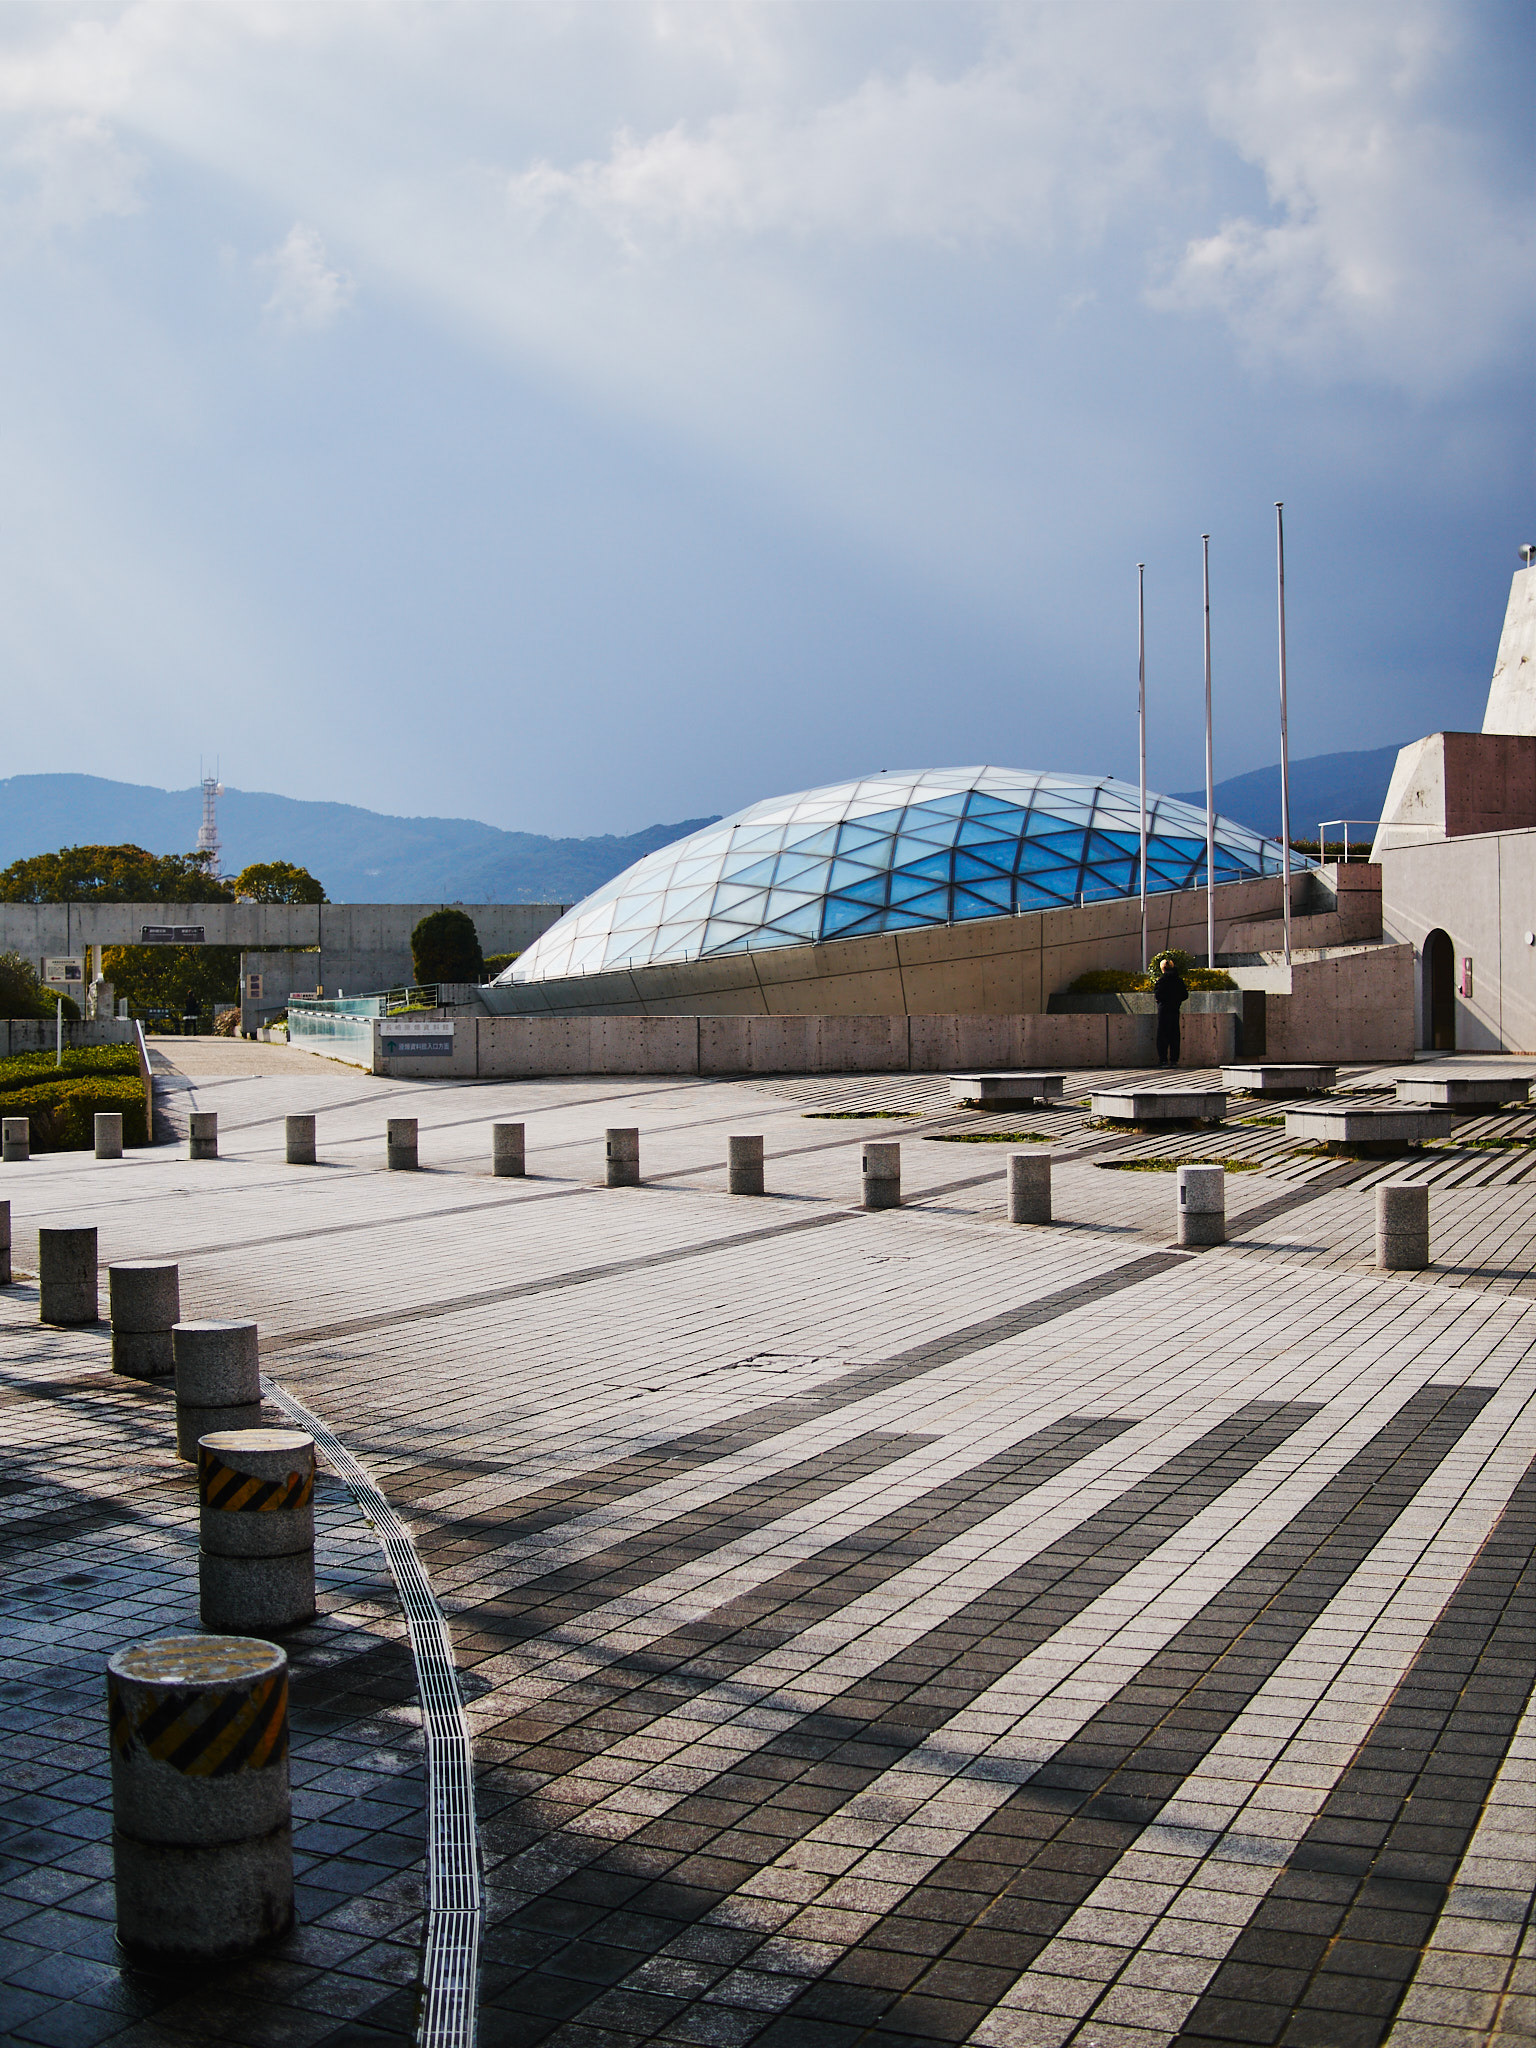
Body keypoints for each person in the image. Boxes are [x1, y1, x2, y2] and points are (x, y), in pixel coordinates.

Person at [1151, 953, 1189, 1066]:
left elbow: (1158, 995)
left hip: (1164, 1011)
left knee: (1162, 1035)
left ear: (1162, 968)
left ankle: (1163, 1060)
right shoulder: (1178, 981)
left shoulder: (1161, 981)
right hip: (1175, 1009)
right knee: (1174, 1035)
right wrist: (1176, 1001)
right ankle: (1174, 1060)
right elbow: (1185, 995)